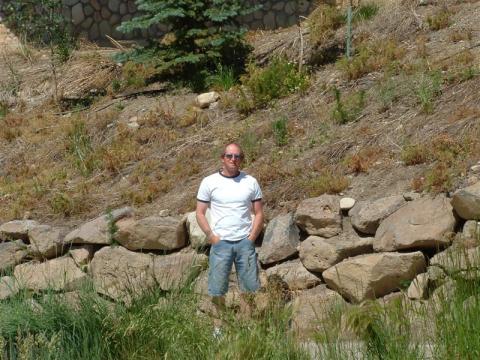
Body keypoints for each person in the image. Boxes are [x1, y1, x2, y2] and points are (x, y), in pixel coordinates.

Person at [196, 142, 264, 319]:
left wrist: (251, 238)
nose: (233, 159)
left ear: (241, 159)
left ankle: (248, 325)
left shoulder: (250, 182)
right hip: (221, 244)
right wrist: (211, 236)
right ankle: (220, 327)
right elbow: (200, 212)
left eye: (237, 156)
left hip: (244, 243)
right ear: (222, 158)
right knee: (217, 290)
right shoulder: (209, 182)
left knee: (249, 289)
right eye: (229, 156)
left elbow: (259, 213)